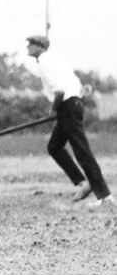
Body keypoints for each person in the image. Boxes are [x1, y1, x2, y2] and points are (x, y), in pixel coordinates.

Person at [26, 35, 110, 207]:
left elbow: (60, 91)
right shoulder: (54, 60)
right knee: (54, 146)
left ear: (40, 47)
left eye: (31, 44)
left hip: (68, 105)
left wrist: (53, 110)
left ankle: (105, 197)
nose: (28, 46)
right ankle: (82, 183)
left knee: (82, 152)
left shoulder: (44, 62)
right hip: (72, 105)